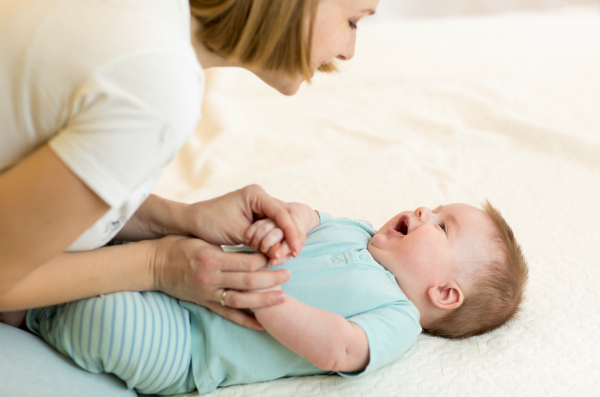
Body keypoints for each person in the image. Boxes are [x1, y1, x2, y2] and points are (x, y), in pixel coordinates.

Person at [0, 0, 381, 330]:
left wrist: (180, 218)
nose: (350, 51)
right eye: (353, 21)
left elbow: (30, 195)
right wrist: (158, 265)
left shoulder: (146, 20)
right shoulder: (157, 84)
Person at [5, 199, 529, 395]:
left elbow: (339, 347)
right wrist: (285, 225)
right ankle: (38, 261)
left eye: (441, 225)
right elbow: (308, 214)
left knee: (107, 316)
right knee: (111, 226)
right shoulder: (357, 229)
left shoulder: (397, 320)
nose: (420, 211)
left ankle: (30, 308)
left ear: (443, 292)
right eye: (431, 205)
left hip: (190, 344)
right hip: (187, 271)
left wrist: (267, 299)